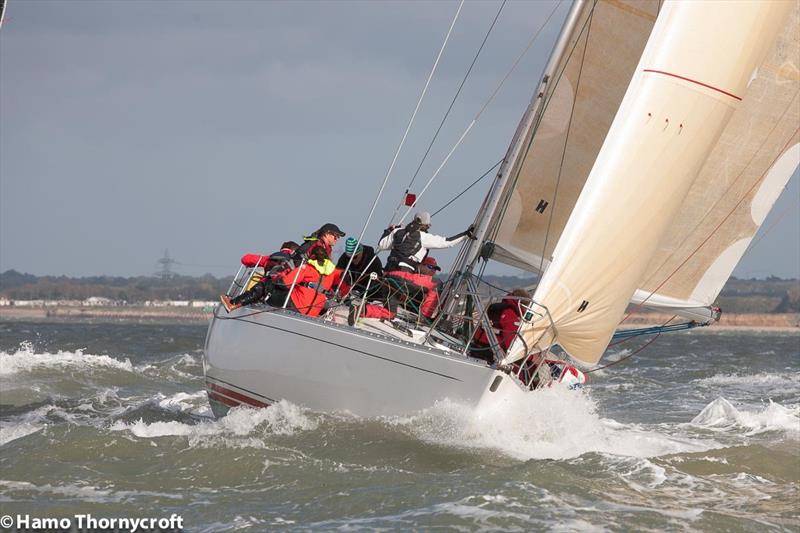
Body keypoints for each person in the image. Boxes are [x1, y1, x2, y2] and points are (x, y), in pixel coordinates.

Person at [378, 211, 473, 319]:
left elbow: (382, 245)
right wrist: (466, 234)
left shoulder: (397, 231)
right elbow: (447, 242)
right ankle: (423, 318)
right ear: (427, 225)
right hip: (403, 277)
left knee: (389, 313)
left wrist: (389, 230)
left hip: (386, 276)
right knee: (436, 284)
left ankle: (361, 311)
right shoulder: (423, 237)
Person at [469, 288, 530, 364]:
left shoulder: (499, 307)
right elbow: (511, 344)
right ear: (522, 304)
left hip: (476, 346)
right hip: (490, 354)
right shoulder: (511, 315)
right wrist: (530, 357)